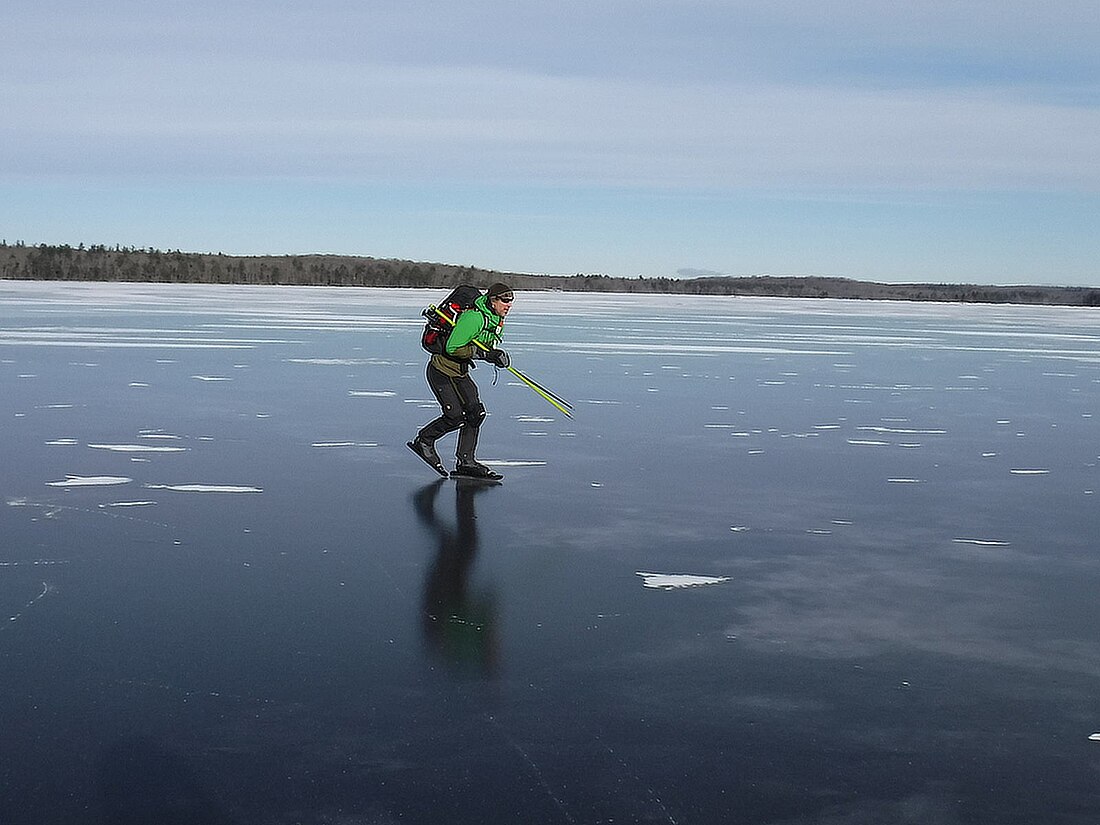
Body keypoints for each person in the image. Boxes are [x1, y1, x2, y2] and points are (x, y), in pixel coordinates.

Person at [407, 282, 513, 480]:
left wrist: (494, 354)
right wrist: (483, 353)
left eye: (511, 301)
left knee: (475, 413)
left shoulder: (495, 320)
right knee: (454, 417)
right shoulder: (474, 318)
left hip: (459, 372)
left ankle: (466, 462)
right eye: (505, 300)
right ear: (493, 300)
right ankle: (424, 441)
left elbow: (485, 345)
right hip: (441, 371)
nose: (509, 305)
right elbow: (453, 348)